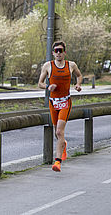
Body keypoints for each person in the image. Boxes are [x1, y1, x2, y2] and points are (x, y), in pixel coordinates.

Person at [38, 41, 83, 172]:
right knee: (57, 133)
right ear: (53, 53)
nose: (58, 53)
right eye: (56, 51)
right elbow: (40, 83)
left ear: (64, 52)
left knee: (59, 131)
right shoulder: (48, 66)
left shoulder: (71, 65)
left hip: (65, 102)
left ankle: (57, 162)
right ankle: (63, 144)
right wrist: (48, 86)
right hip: (53, 102)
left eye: (60, 50)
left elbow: (79, 76)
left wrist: (78, 85)